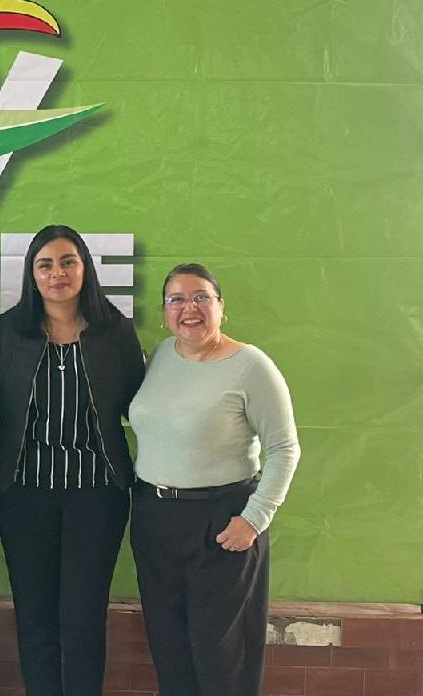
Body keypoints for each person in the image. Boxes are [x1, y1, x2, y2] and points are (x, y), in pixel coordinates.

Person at [0, 225, 144, 696]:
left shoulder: (115, 332)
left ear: (85, 268)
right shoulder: (9, 332)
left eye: (68, 261)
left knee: (84, 617)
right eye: (45, 264)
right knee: (34, 615)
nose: (58, 273)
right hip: (23, 493)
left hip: (97, 493)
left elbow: (139, 405)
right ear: (32, 275)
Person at [128, 263, 300, 696]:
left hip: (223, 524)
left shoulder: (251, 366)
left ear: (221, 307)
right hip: (155, 519)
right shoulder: (161, 356)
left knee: (221, 657)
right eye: (177, 300)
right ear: (165, 311)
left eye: (201, 297)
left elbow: (284, 448)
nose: (189, 308)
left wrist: (254, 519)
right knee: (169, 650)